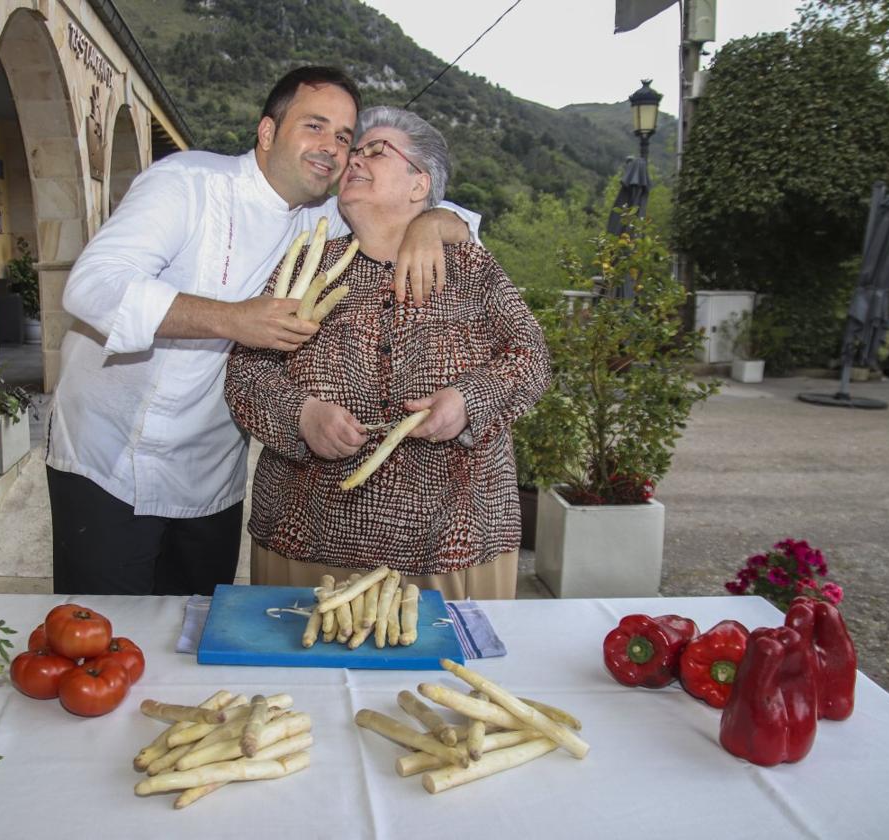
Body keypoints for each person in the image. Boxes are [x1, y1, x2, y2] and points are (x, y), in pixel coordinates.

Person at [47, 68, 480, 596]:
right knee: (101, 637)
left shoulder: (329, 215)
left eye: (345, 137)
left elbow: (443, 211)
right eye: (314, 127)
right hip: (109, 460)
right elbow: (91, 287)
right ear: (268, 132)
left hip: (211, 473)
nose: (332, 148)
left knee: (191, 638)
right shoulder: (188, 183)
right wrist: (233, 319)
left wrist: (429, 225)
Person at [224, 106, 550, 599]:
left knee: (446, 675)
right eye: (354, 151)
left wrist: (467, 402)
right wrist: (302, 415)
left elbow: (531, 359)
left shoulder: (469, 266)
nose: (353, 159)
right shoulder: (307, 265)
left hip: (448, 545)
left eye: (375, 151)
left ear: (419, 185)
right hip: (307, 539)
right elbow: (246, 372)